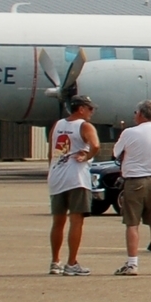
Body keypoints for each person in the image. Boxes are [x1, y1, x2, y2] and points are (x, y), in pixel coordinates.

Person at [112, 99, 151, 276]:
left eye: (136, 112)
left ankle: (132, 263)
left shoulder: (129, 132)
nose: (134, 115)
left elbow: (116, 152)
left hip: (135, 180)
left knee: (132, 223)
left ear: (142, 114)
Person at [47, 95, 99, 276]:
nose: (92, 112)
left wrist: (51, 171)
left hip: (57, 175)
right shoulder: (84, 126)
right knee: (76, 221)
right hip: (76, 177)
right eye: (90, 109)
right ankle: (71, 262)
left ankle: (55, 262)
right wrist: (87, 155)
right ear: (81, 109)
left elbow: (51, 152)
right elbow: (96, 145)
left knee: (58, 221)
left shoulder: (58, 125)